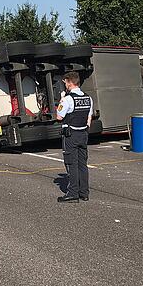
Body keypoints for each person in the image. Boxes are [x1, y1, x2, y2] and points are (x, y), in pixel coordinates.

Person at [55, 71, 93, 203]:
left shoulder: (68, 99)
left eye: (65, 83)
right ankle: (84, 192)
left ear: (70, 83)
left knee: (71, 164)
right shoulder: (88, 98)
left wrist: (61, 99)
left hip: (71, 135)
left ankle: (72, 193)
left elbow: (59, 117)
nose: (65, 85)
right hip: (83, 134)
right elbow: (89, 117)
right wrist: (86, 130)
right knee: (82, 164)